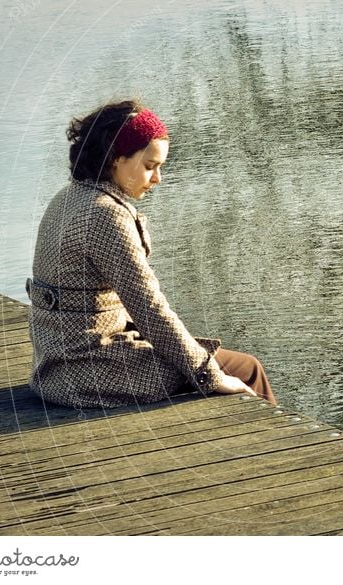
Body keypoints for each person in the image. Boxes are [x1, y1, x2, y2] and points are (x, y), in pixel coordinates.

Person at [26, 100, 277, 408]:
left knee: (204, 357)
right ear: (117, 158)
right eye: (150, 166)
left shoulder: (68, 197)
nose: (158, 178)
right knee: (245, 370)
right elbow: (150, 309)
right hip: (85, 372)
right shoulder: (106, 216)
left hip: (54, 366)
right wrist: (207, 375)